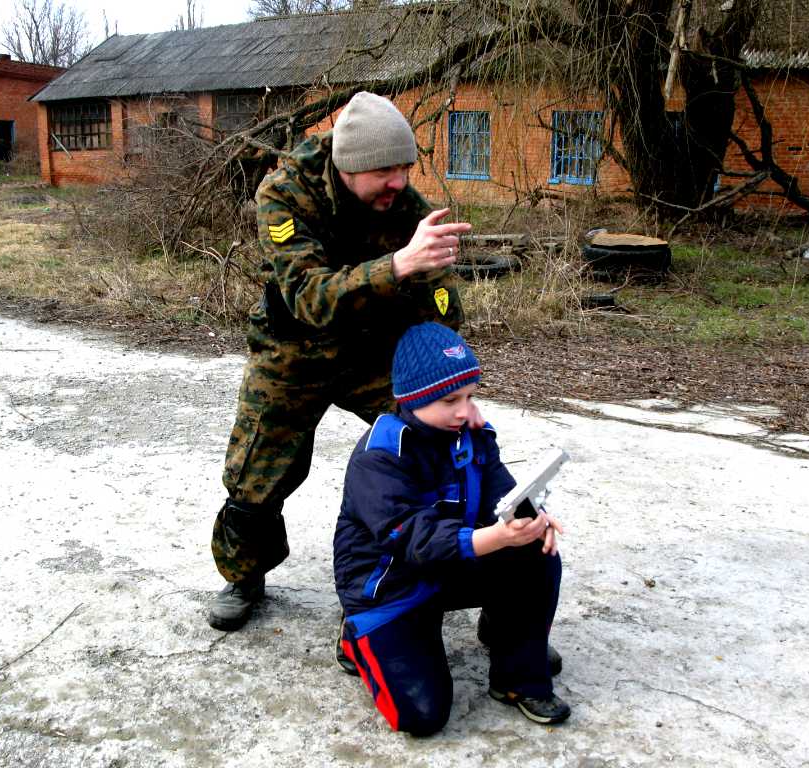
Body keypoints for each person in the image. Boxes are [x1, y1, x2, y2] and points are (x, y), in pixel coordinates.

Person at [208, 91, 477, 632]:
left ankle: (463, 571)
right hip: (294, 349)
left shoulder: (408, 208)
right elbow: (308, 297)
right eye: (384, 170)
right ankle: (244, 573)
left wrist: (441, 373)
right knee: (256, 474)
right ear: (349, 166)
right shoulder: (285, 193)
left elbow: (441, 301)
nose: (398, 182)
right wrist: (399, 264)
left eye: (405, 167)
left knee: (443, 443)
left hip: (371, 351)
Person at [334, 322, 570, 735]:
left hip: (449, 562)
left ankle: (518, 673)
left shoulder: (472, 434)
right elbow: (409, 537)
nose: (465, 411)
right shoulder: (379, 456)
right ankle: (358, 637)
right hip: (392, 585)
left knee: (537, 551)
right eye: (450, 400)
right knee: (422, 717)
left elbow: (501, 492)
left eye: (470, 396)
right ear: (411, 399)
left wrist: (532, 517)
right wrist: (494, 538)